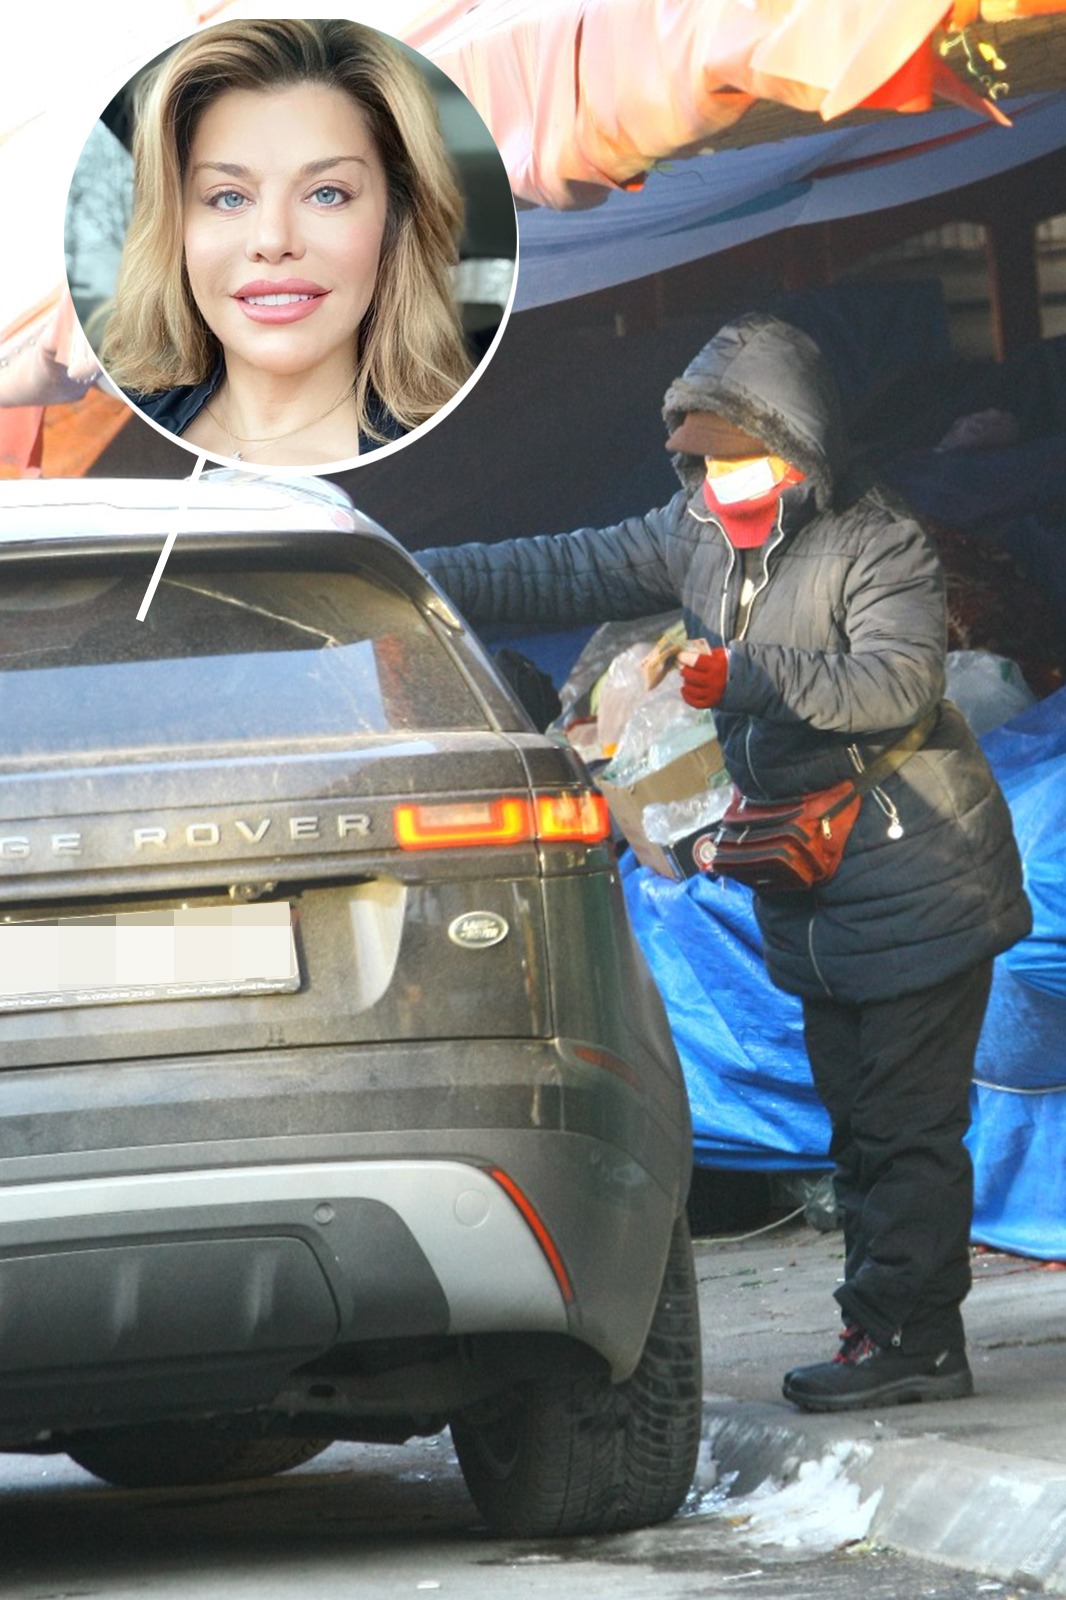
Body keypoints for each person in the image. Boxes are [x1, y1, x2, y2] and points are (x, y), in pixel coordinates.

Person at [418, 310, 1032, 1412]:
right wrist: (403, 572)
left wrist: (742, 676)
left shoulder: (879, 542)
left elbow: (898, 685)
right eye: (704, 463)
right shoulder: (696, 528)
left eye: (744, 460)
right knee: (859, 1123)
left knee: (906, 1129)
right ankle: (881, 1329)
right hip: (816, 878)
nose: (722, 483)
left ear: (801, 447)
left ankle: (914, 1343)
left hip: (921, 868)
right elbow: (560, 566)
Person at [97, 18, 473, 466]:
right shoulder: (115, 423)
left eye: (327, 193)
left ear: (395, 219)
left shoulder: (457, 460)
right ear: (175, 229)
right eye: (229, 197)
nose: (273, 240)